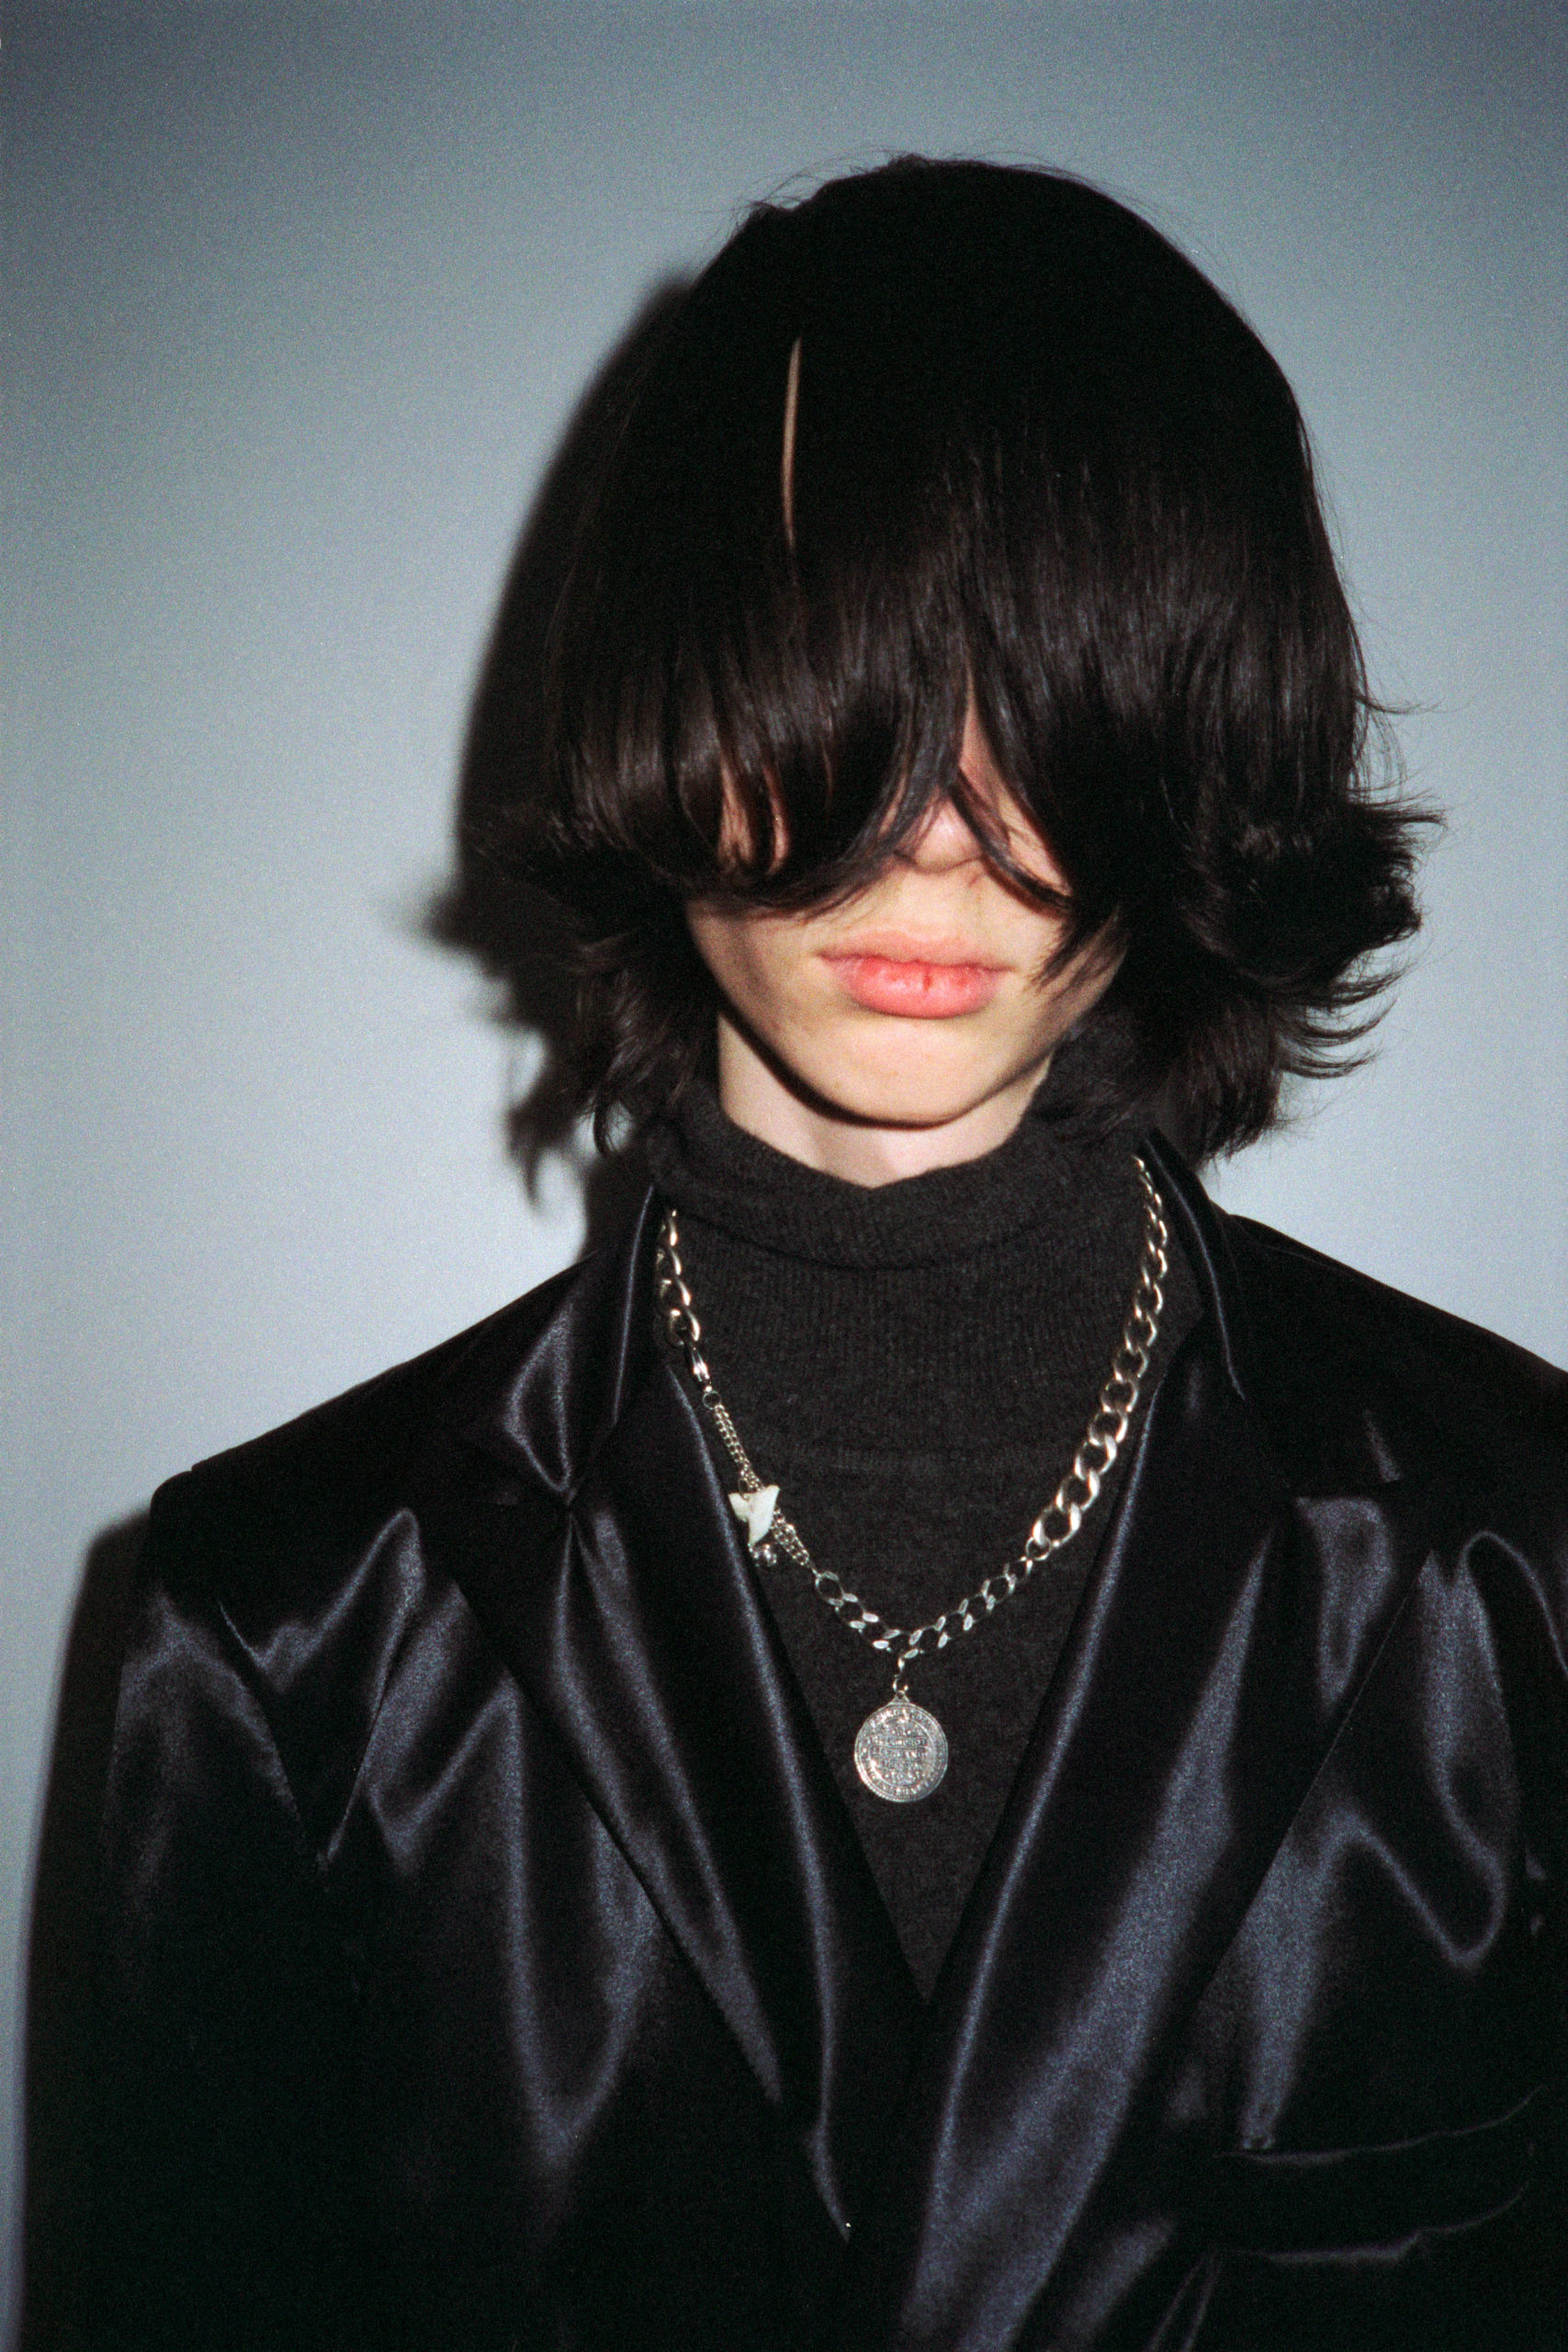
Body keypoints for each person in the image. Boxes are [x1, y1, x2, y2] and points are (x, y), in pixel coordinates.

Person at [72, 160, 1565, 2349]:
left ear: (1196, 728)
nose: (935, 821)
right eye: (833, 679)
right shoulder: (289, 1627)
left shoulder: (1510, 1550)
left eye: (1050, 694)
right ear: (666, 698)